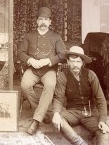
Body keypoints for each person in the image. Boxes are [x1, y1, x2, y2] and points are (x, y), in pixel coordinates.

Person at [18, 7, 66, 135]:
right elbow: (20, 53)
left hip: (49, 70)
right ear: (36, 21)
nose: (43, 22)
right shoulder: (29, 36)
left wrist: (48, 61)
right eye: (41, 19)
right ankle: (41, 112)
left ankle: (36, 121)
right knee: (24, 85)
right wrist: (30, 61)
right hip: (32, 69)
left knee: (50, 85)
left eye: (46, 20)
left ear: (50, 22)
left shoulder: (56, 37)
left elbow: (63, 55)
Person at [52, 46, 109, 145]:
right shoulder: (62, 76)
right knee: (58, 120)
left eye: (78, 62)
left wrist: (103, 121)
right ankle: (80, 143)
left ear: (83, 63)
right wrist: (56, 113)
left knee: (104, 132)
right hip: (72, 112)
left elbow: (100, 99)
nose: (75, 65)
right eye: (73, 61)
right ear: (68, 62)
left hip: (90, 113)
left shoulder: (90, 75)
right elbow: (58, 97)